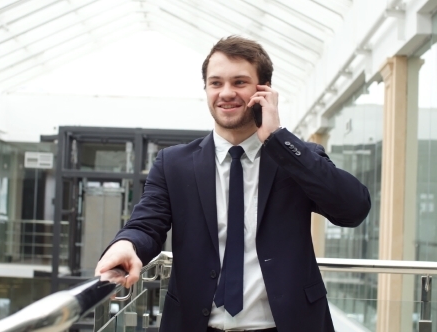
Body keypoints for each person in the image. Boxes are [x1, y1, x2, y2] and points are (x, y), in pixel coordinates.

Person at [96, 36, 371, 332]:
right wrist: (126, 245)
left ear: (263, 90)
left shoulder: (296, 157)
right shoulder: (173, 164)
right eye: (216, 83)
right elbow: (146, 224)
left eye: (239, 82)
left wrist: (278, 137)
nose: (226, 93)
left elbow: (352, 209)